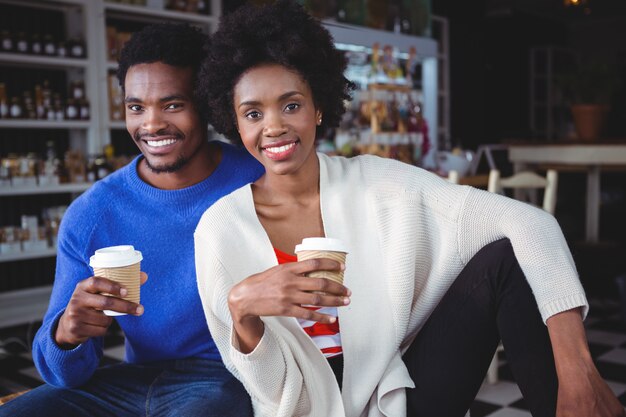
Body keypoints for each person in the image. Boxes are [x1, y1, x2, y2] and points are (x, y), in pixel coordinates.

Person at [193, 2, 625, 417]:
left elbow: (532, 222)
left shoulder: (378, 183)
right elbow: (271, 395)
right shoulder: (219, 231)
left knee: (506, 260)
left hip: (395, 398)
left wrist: (578, 370)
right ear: (234, 122)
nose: (274, 126)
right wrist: (243, 311)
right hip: (303, 409)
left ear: (319, 106)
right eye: (253, 113)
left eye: (291, 105)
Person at [0, 23, 263, 417]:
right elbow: (63, 374)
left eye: (172, 104)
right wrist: (68, 333)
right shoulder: (93, 213)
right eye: (136, 107)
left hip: (225, 375)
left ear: (207, 104)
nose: (151, 124)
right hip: (130, 377)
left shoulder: (256, 178)